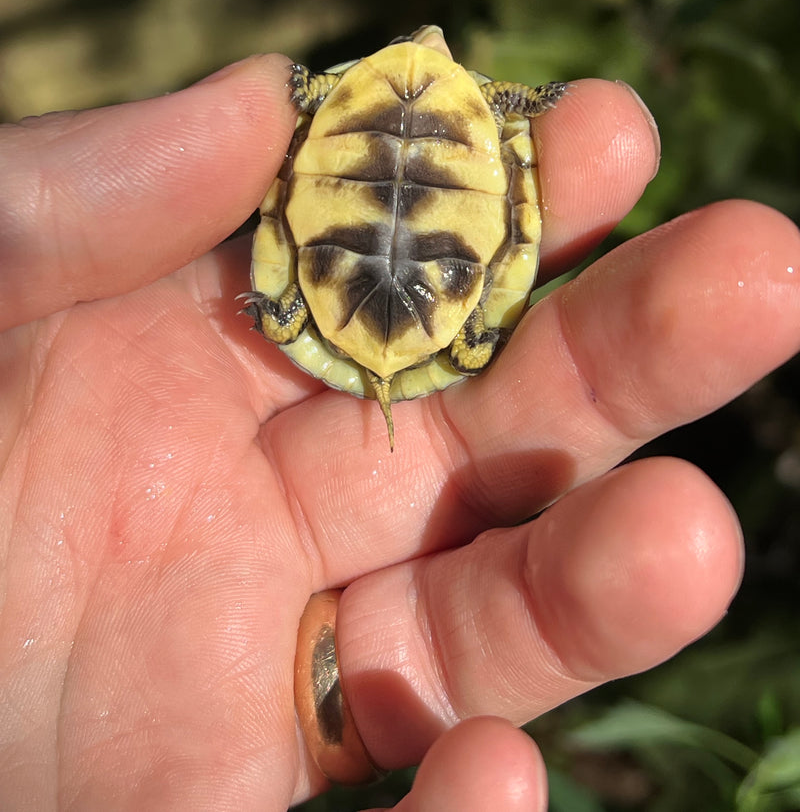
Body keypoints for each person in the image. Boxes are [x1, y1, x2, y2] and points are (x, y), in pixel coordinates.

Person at [1, 52, 798, 812]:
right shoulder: (483, 125)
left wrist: (291, 306)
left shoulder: (354, 112)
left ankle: (301, 308)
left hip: (351, 237)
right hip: (422, 219)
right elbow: (512, 239)